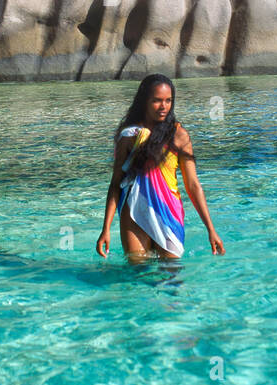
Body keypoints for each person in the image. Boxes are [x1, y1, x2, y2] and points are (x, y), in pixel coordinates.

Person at [96, 73, 225, 261]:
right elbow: (116, 183)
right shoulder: (129, 135)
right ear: (144, 101)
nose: (163, 107)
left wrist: (211, 230)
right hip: (135, 209)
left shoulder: (179, 136)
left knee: (171, 274)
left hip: (168, 210)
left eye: (168, 100)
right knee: (138, 273)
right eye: (157, 100)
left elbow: (193, 185)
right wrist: (105, 229)